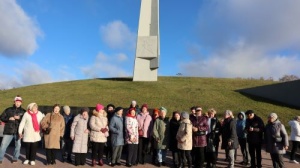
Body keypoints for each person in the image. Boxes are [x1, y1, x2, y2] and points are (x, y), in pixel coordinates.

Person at [0, 95, 26, 164]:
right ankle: (0, 158)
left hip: (18, 131)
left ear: (21, 103)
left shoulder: (24, 111)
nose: (18, 103)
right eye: (16, 102)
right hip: (8, 131)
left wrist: (19, 118)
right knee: (3, 145)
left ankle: (15, 158)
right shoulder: (8, 109)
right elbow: (2, 117)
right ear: (14, 102)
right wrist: (8, 119)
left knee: (18, 145)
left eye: (19, 102)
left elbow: (26, 121)